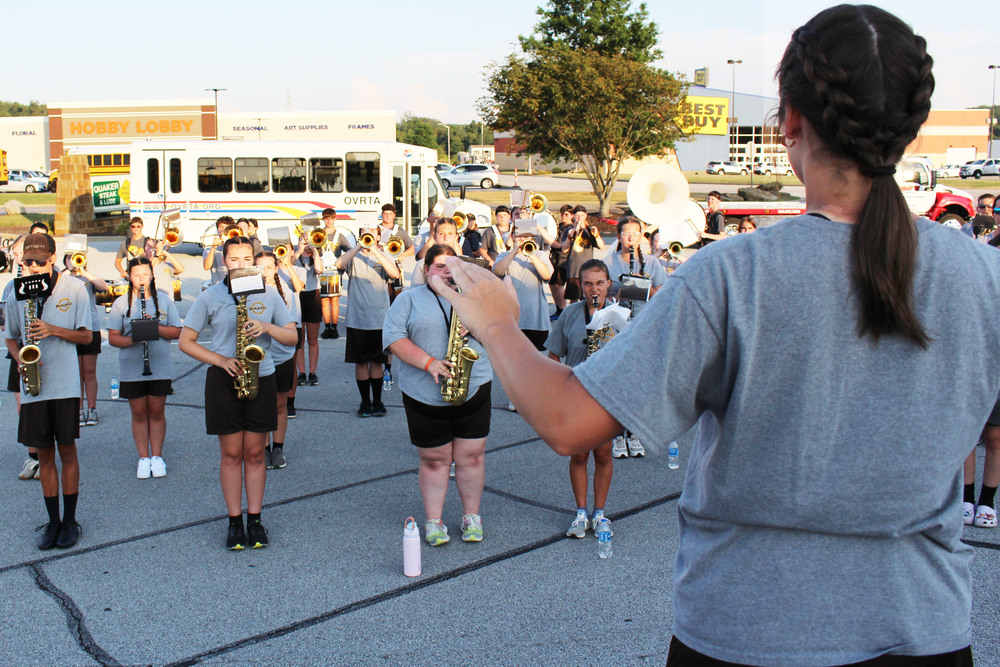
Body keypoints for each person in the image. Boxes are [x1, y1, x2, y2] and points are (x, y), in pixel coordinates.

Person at [432, 6, 992, 663]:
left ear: (789, 121)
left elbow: (566, 420)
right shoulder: (983, 274)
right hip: (924, 626)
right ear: (908, 127)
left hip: (749, 631)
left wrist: (497, 321)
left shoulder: (733, 274)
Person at [178, 237, 297, 550]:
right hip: (224, 378)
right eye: (234, 259)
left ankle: (255, 520)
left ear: (255, 260)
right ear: (224, 262)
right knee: (231, 455)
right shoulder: (210, 296)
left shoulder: (268, 293)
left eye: (247, 258)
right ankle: (234, 522)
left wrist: (268, 328)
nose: (242, 264)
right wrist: (221, 360)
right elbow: (185, 341)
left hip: (262, 376)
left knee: (256, 454)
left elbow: (292, 337)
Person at [383, 244, 494, 546]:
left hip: (474, 385)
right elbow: (393, 338)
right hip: (423, 393)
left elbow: (503, 332)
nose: (445, 272)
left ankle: (472, 516)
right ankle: (434, 521)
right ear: (426, 269)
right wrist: (428, 363)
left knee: (471, 457)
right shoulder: (408, 299)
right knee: (434, 459)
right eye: (439, 266)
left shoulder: (478, 299)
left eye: (451, 266)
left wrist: (478, 324)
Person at [4, 234, 92, 550]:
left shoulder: (73, 288)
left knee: (66, 450)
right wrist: (19, 360)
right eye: (27, 262)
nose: (31, 267)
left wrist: (52, 329)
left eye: (38, 262)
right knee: (44, 454)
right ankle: (52, 522)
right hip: (34, 383)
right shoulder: (13, 290)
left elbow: (86, 337)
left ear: (52, 259)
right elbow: (11, 338)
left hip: (65, 382)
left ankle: (70, 521)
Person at [545, 260, 615, 539]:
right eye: (587, 283)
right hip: (576, 393)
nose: (593, 289)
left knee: (603, 453)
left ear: (608, 283)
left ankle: (600, 513)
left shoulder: (618, 314)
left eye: (599, 283)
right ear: (580, 285)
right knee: (579, 454)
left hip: (607, 397)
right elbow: (553, 354)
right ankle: (580, 512)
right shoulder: (570, 314)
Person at [106, 257, 182, 478]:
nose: (142, 278)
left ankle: (157, 457)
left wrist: (153, 328)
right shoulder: (121, 303)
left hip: (159, 365)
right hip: (132, 366)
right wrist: (136, 337)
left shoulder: (164, 301)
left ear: (152, 275)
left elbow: (177, 332)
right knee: (139, 412)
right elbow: (113, 338)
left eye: (145, 274)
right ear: (129, 276)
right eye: (137, 274)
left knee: (157, 411)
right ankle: (143, 458)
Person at [602, 217, 668, 458]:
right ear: (619, 237)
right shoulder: (607, 262)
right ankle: (618, 433)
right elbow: (599, 290)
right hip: (617, 327)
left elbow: (663, 292)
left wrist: (639, 287)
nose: (630, 238)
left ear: (642, 237)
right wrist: (617, 293)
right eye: (626, 234)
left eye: (635, 234)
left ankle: (634, 431)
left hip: (643, 326)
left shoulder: (651, 262)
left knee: (639, 382)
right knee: (618, 380)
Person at [335, 227, 401, 417]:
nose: (369, 235)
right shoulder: (353, 256)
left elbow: (394, 274)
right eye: (365, 232)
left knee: (377, 363)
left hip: (380, 319)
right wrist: (358, 247)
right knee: (361, 363)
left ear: (378, 236)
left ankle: (378, 401)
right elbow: (339, 264)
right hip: (357, 319)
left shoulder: (383, 256)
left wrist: (375, 250)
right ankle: (365, 402)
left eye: (372, 232)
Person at [256, 248, 305, 469]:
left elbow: (291, 329)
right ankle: (263, 448)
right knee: (261, 405)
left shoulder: (283, 290)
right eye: (260, 267)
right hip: (257, 358)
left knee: (279, 404)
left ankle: (278, 447)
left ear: (276, 268)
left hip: (281, 356)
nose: (264, 272)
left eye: (268, 267)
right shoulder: (249, 291)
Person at [3, 235, 41, 480]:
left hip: (44, 349)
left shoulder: (44, 280)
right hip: (19, 350)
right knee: (23, 407)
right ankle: (33, 457)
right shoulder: (10, 286)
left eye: (22, 254)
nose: (19, 259)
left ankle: (46, 454)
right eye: (15, 254)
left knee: (44, 406)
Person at [63, 253, 107, 427]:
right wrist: (69, 270)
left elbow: (103, 286)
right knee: (76, 373)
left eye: (77, 257)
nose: (73, 260)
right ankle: (79, 409)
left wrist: (83, 272)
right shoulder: (63, 278)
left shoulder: (89, 279)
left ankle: (92, 408)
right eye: (69, 257)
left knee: (89, 372)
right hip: (71, 329)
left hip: (91, 327)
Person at [291, 227, 324, 386]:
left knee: (312, 339)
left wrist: (315, 252)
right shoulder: (293, 256)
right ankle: (301, 372)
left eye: (307, 240)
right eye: (302, 240)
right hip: (297, 297)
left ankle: (313, 372)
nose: (305, 243)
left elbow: (319, 270)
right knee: (299, 339)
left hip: (313, 296)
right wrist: (298, 251)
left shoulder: (316, 256)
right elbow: (287, 265)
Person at [318, 208, 351, 340]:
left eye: (331, 218)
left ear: (335, 219)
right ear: (323, 219)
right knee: (324, 301)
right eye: (326, 218)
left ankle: (335, 327)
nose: (329, 220)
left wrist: (342, 264)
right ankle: (327, 327)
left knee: (335, 301)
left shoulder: (339, 236)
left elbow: (349, 251)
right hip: (321, 271)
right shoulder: (318, 234)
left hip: (335, 272)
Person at [562, 205, 604, 302]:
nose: (580, 218)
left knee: (588, 298)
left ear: (586, 216)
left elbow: (601, 246)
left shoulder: (590, 230)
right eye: (577, 215)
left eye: (582, 215)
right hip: (573, 270)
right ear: (573, 216)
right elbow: (564, 249)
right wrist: (569, 237)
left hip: (587, 270)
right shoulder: (569, 230)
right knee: (573, 299)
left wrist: (596, 235)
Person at [412, 219, 464, 286]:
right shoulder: (422, 264)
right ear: (434, 237)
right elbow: (415, 291)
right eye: (441, 234)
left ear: (456, 237)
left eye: (450, 234)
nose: (445, 238)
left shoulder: (465, 264)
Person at [548, 204, 574, 319]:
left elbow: (562, 246)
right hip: (554, 258)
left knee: (559, 285)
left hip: (563, 260)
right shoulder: (559, 226)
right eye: (562, 214)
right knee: (552, 284)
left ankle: (563, 309)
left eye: (566, 214)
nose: (564, 216)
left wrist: (549, 239)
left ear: (572, 215)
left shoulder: (570, 228)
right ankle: (558, 308)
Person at [203, 216, 236, 287]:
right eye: (221, 227)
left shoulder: (237, 246)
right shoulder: (209, 248)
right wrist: (213, 248)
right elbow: (206, 267)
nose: (223, 229)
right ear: (217, 229)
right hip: (217, 286)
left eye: (227, 227)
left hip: (235, 286)